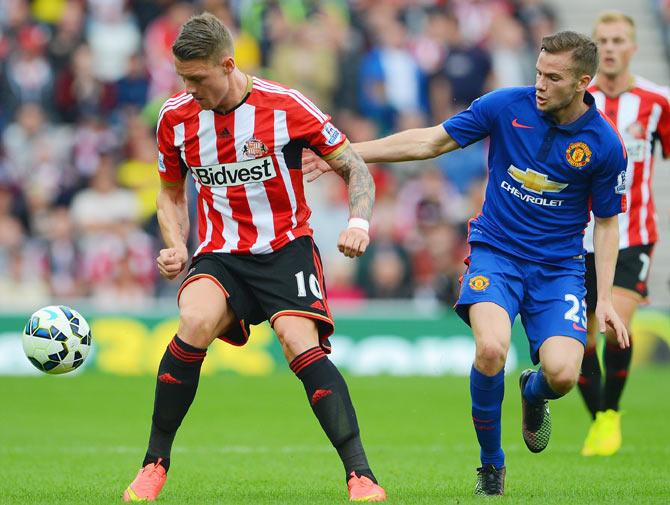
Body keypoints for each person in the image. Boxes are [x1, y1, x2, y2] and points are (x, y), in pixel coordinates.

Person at [303, 31, 629, 496]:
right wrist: (347, 154)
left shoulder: (604, 145)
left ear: (583, 82)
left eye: (553, 78)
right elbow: (429, 143)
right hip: (496, 253)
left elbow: (608, 224)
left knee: (562, 375)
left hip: (559, 269)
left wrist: (609, 297)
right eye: (538, 72)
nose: (539, 84)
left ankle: (533, 392)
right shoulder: (504, 106)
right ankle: (491, 467)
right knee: (491, 348)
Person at [122, 13, 386, 503]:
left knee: (296, 339)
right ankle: (154, 464)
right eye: (183, 78)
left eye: (198, 78)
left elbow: (354, 167)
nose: (189, 88)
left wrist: (358, 223)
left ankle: (361, 475)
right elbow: (169, 194)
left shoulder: (286, 106)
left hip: (286, 248)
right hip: (222, 253)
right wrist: (176, 242)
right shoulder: (175, 118)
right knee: (194, 319)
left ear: (228, 64)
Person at [578, 11, 670, 457]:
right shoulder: (576, 99)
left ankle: (609, 415)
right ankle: (600, 418)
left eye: (618, 40)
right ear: (592, 49)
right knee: (581, 342)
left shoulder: (658, 101)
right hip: (576, 238)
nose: (611, 48)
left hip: (634, 234)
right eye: (603, 40)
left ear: (633, 47)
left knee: (617, 330)